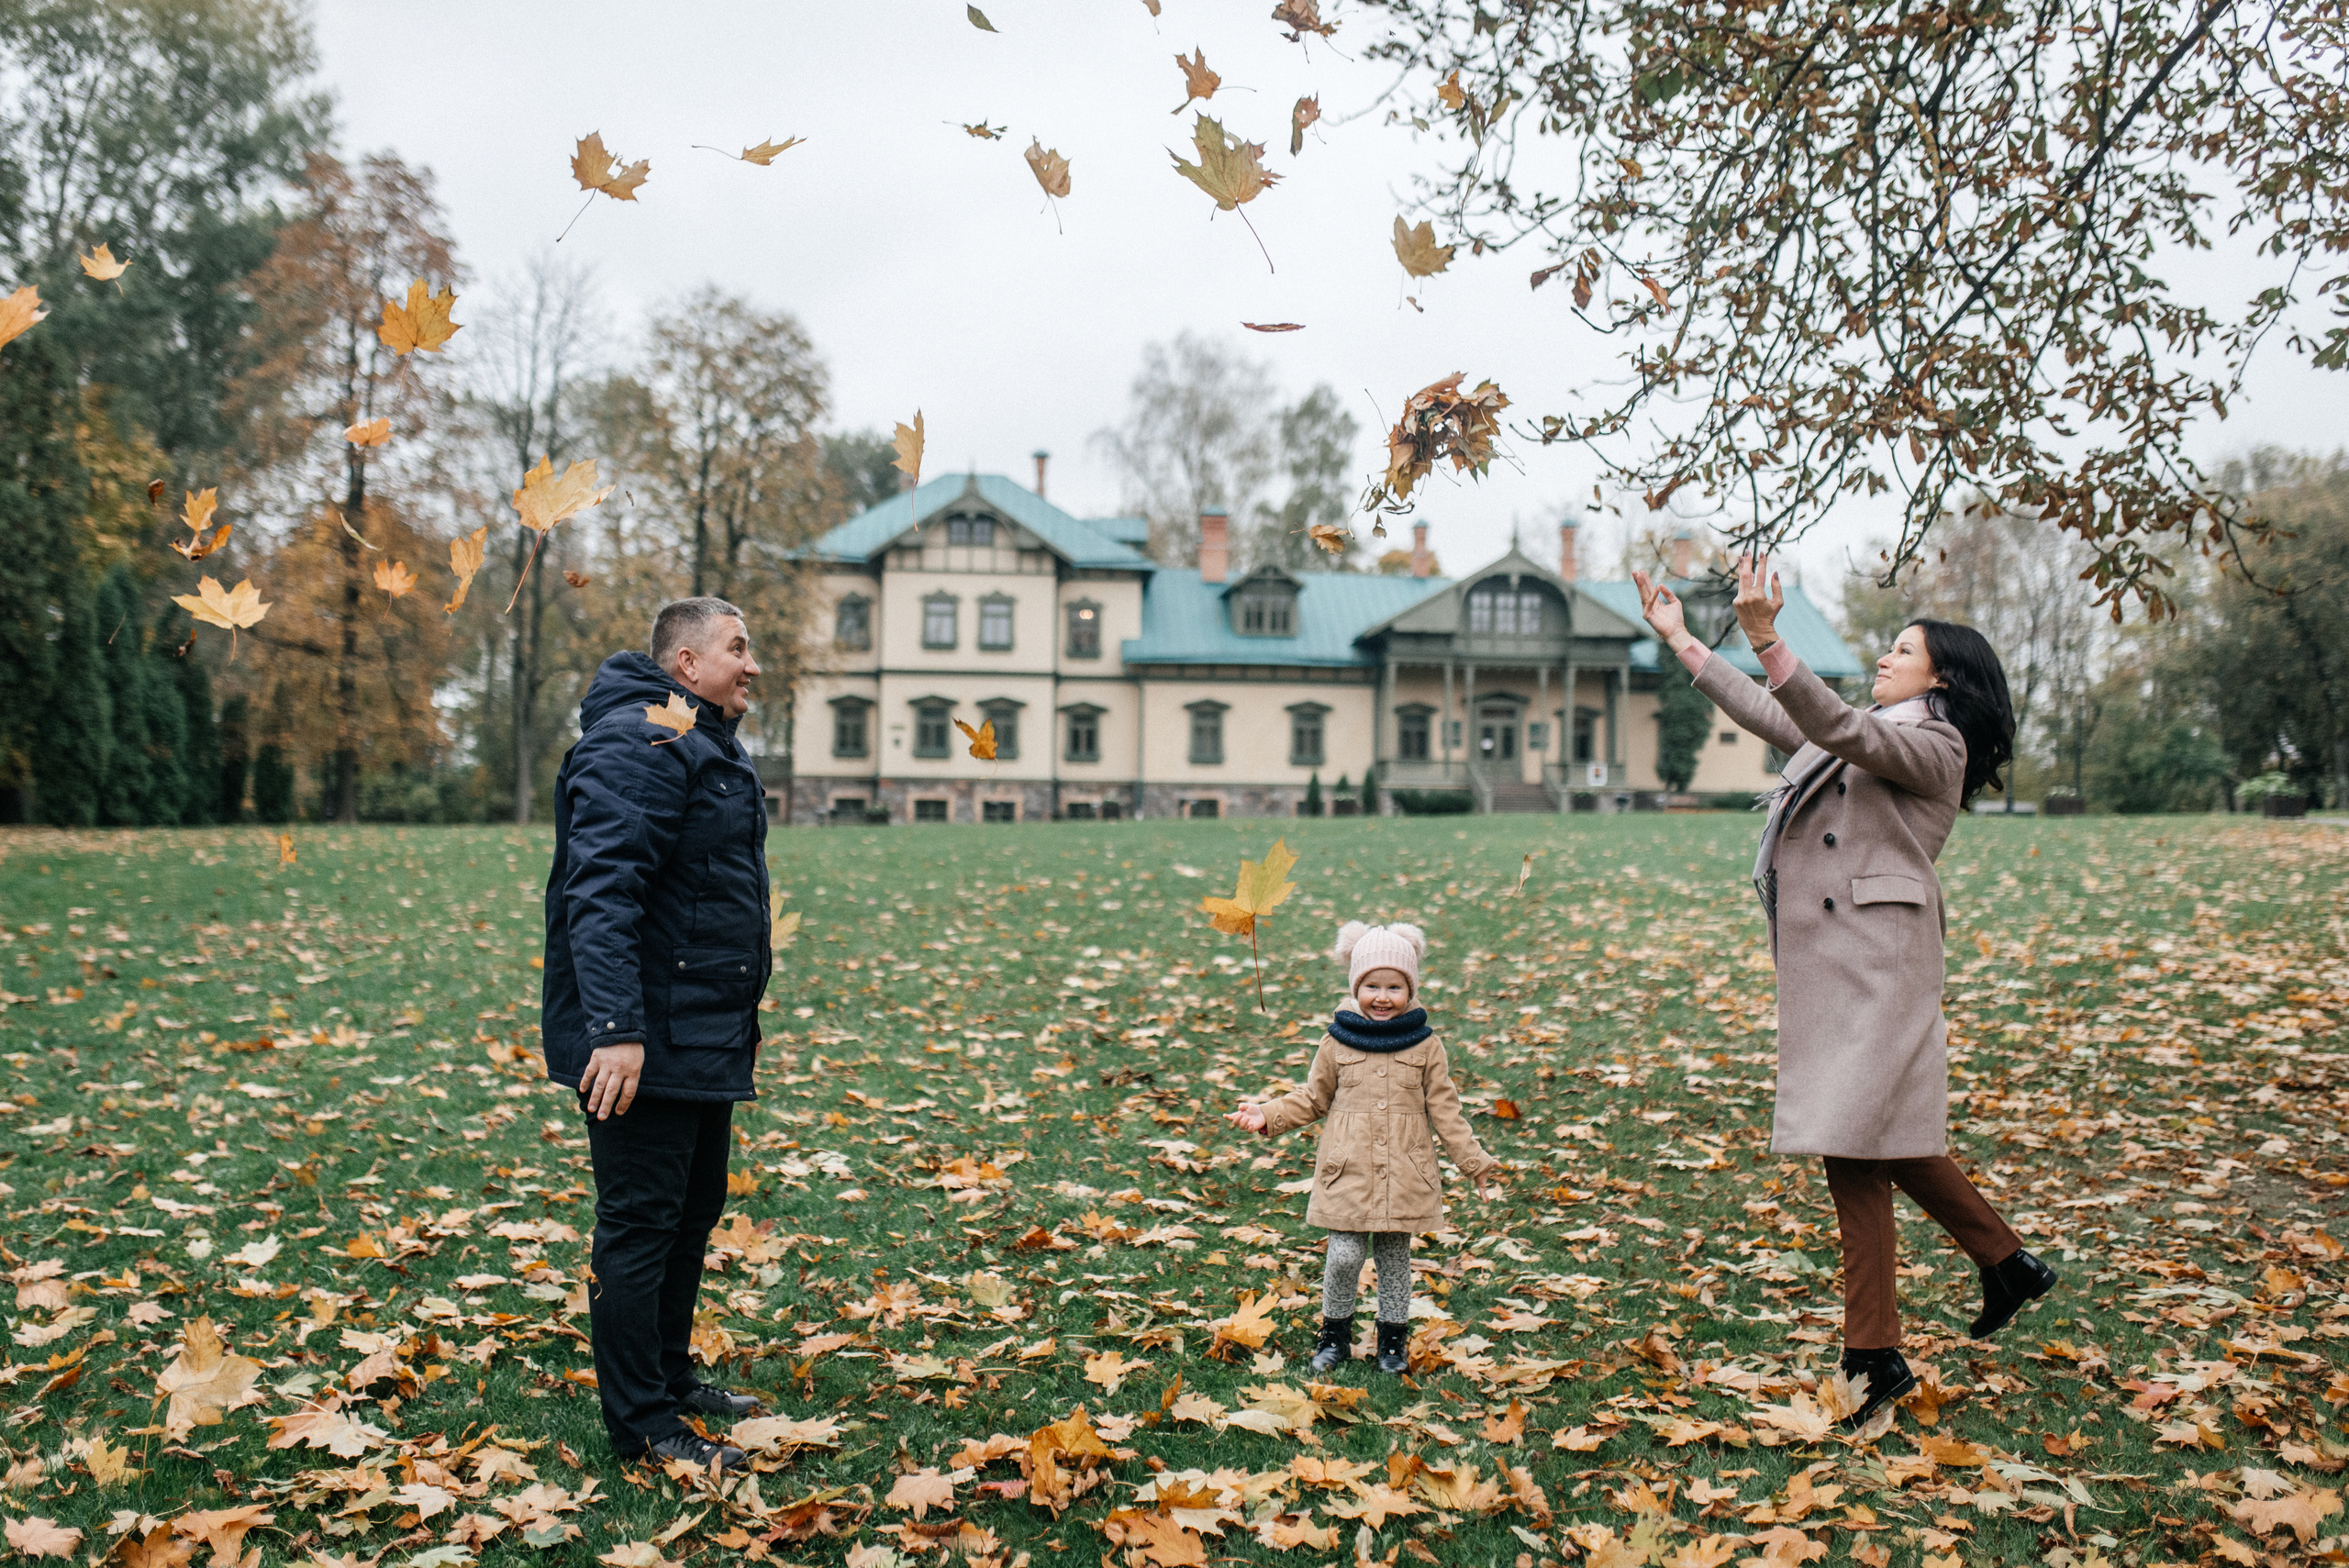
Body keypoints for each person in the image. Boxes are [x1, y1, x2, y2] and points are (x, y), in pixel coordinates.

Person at [1634, 555, 2056, 1430]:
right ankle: (1955, 1295)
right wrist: (1683, 642)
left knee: (1863, 1133)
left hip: (1879, 961)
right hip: (1839, 959)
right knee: (1857, 1141)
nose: (1885, 659)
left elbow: (1844, 728)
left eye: (1902, 650)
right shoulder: (1867, 727)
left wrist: (1768, 636)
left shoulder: (1936, 742)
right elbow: (1778, 711)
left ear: (1943, 673)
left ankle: (1905, 1327)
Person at [541, 596, 774, 1471]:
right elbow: (601, 891)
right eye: (737, 648)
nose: (752, 665)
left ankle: (670, 1379)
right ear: (685, 662)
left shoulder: (693, 736)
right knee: (640, 1226)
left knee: (689, 1214)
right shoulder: (644, 737)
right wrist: (615, 1028)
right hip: (642, 1036)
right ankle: (643, 1425)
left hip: (699, 1028)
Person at [1227, 921, 1502, 1374]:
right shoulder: (1336, 1042)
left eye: (1394, 986)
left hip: (1404, 1172)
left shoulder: (1427, 1046)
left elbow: (1446, 1110)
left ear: (1410, 990)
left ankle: (1392, 1343)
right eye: (1371, 985)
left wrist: (1474, 1162)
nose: (1382, 996)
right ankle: (1334, 1333)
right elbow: (1313, 1098)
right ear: (1356, 987)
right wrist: (1268, 1113)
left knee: (1394, 1259)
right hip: (1347, 1170)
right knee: (1345, 1255)